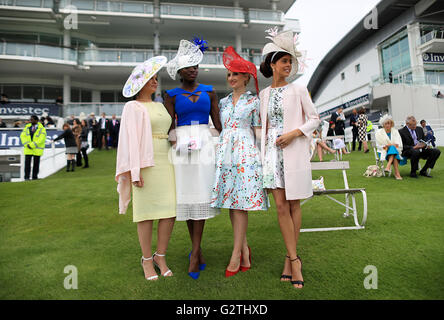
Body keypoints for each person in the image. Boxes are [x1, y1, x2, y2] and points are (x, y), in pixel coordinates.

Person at [259, 29, 320, 289]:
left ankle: (291, 260)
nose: (288, 65)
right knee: (281, 207)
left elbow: (315, 119)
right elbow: (262, 126)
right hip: (271, 155)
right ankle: (294, 258)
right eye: (283, 61)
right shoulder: (262, 95)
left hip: (292, 151)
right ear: (273, 64)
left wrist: (295, 134)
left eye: (290, 62)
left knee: (294, 205)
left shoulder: (299, 89)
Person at [164, 38, 222, 280]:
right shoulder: (170, 95)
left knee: (201, 196)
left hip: (206, 148)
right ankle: (196, 251)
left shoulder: (210, 91)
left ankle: (196, 253)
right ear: (179, 71)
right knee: (189, 200)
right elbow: (169, 128)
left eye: (196, 66)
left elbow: (219, 126)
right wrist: (177, 140)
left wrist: (209, 137)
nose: (193, 70)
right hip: (183, 151)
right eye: (188, 67)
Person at [210, 46, 268, 278]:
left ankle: (236, 254)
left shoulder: (254, 102)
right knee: (232, 203)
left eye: (235, 74)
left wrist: (264, 160)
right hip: (226, 153)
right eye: (229, 74)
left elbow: (258, 131)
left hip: (246, 153)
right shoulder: (223, 103)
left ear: (246, 76)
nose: (231, 78)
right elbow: (219, 130)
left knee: (241, 203)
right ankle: (244, 249)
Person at [117, 56, 176, 281]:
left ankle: (160, 256)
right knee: (146, 214)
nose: (154, 81)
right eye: (150, 78)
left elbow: (168, 131)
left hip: (167, 162)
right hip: (145, 163)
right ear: (139, 84)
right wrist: (135, 170)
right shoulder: (132, 107)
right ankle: (146, 260)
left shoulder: (160, 105)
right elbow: (130, 140)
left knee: (169, 211)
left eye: (155, 77)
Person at [375, 115, 403, 180]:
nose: (387, 125)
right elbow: (379, 146)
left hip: (395, 150)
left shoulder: (395, 131)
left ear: (391, 124)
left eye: (389, 123)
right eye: (386, 123)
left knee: (393, 149)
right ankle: (397, 173)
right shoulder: (379, 133)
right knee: (393, 150)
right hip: (383, 151)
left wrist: (390, 145)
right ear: (383, 124)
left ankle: (388, 166)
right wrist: (388, 145)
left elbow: (399, 144)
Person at [20, 115, 47, 180]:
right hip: (28, 149)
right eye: (30, 119)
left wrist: (32, 145)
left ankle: (34, 177)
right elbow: (22, 136)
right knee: (27, 164)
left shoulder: (42, 129)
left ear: (36, 120)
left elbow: (41, 139)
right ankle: (26, 177)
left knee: (36, 164)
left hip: (37, 149)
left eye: (32, 119)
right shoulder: (26, 128)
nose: (30, 121)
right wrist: (27, 144)